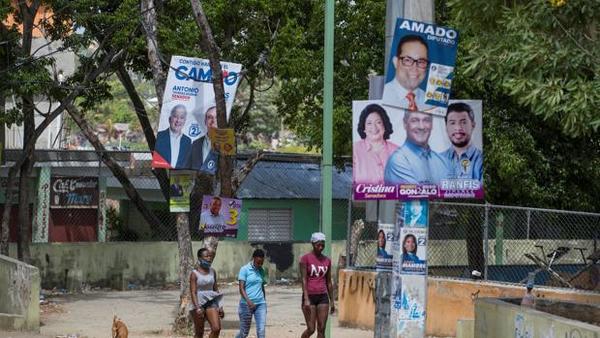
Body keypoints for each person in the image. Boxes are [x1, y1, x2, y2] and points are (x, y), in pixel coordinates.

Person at [384, 110, 448, 185]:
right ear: (405, 124)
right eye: (415, 120)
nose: (421, 126)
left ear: (432, 124)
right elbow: (415, 195)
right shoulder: (398, 160)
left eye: (426, 120)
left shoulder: (443, 161)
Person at [382, 35, 434, 113]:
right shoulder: (381, 96)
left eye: (421, 62)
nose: (414, 68)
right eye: (408, 60)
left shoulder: (432, 103)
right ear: (396, 62)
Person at [300, 232, 335, 338]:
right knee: (311, 329)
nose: (320, 247)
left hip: (323, 296)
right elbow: (304, 279)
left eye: (322, 244)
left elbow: (328, 281)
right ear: (312, 243)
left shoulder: (327, 260)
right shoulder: (305, 259)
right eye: (318, 244)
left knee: (322, 328)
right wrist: (306, 298)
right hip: (310, 296)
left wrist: (332, 301)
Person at [353, 104, 398, 184]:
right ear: (364, 128)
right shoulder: (355, 150)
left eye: (378, 122)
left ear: (384, 125)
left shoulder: (397, 151)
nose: (374, 127)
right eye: (369, 123)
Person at [441, 102, 483, 181]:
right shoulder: (437, 160)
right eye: (452, 123)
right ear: (446, 127)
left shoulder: (482, 160)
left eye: (463, 122)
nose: (458, 128)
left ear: (473, 125)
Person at [189, 248, 224, 338]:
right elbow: (193, 292)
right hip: (198, 303)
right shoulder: (194, 273)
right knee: (199, 332)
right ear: (200, 259)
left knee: (216, 328)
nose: (209, 258)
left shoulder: (213, 271)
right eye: (206, 256)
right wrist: (197, 308)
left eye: (210, 256)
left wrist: (220, 306)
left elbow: (216, 289)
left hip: (211, 301)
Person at [236, 249, 267, 338]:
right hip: (246, 304)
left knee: (261, 331)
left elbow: (262, 286)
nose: (260, 265)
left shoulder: (261, 270)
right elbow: (241, 288)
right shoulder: (244, 269)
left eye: (262, 263)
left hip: (260, 304)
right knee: (244, 333)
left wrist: (264, 301)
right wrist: (249, 301)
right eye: (258, 262)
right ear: (254, 258)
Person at [186, 106, 218, 172]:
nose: (213, 121)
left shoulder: (227, 143)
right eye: (210, 117)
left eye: (217, 117)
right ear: (205, 121)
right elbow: (187, 168)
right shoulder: (195, 144)